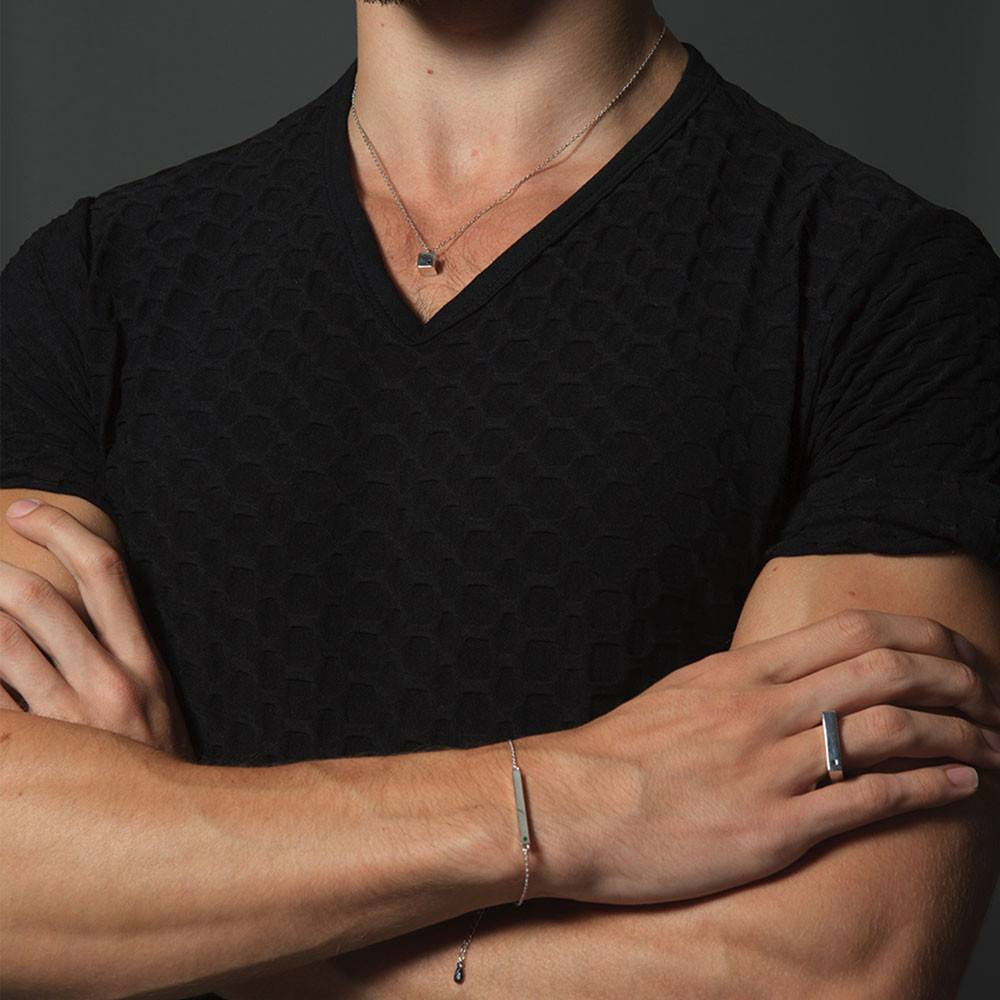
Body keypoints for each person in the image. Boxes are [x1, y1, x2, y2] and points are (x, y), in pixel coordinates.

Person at [2, 1, 999, 997]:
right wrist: (574, 801)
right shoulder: (95, 281)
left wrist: (183, 901)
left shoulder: (885, 287)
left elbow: (831, 967)